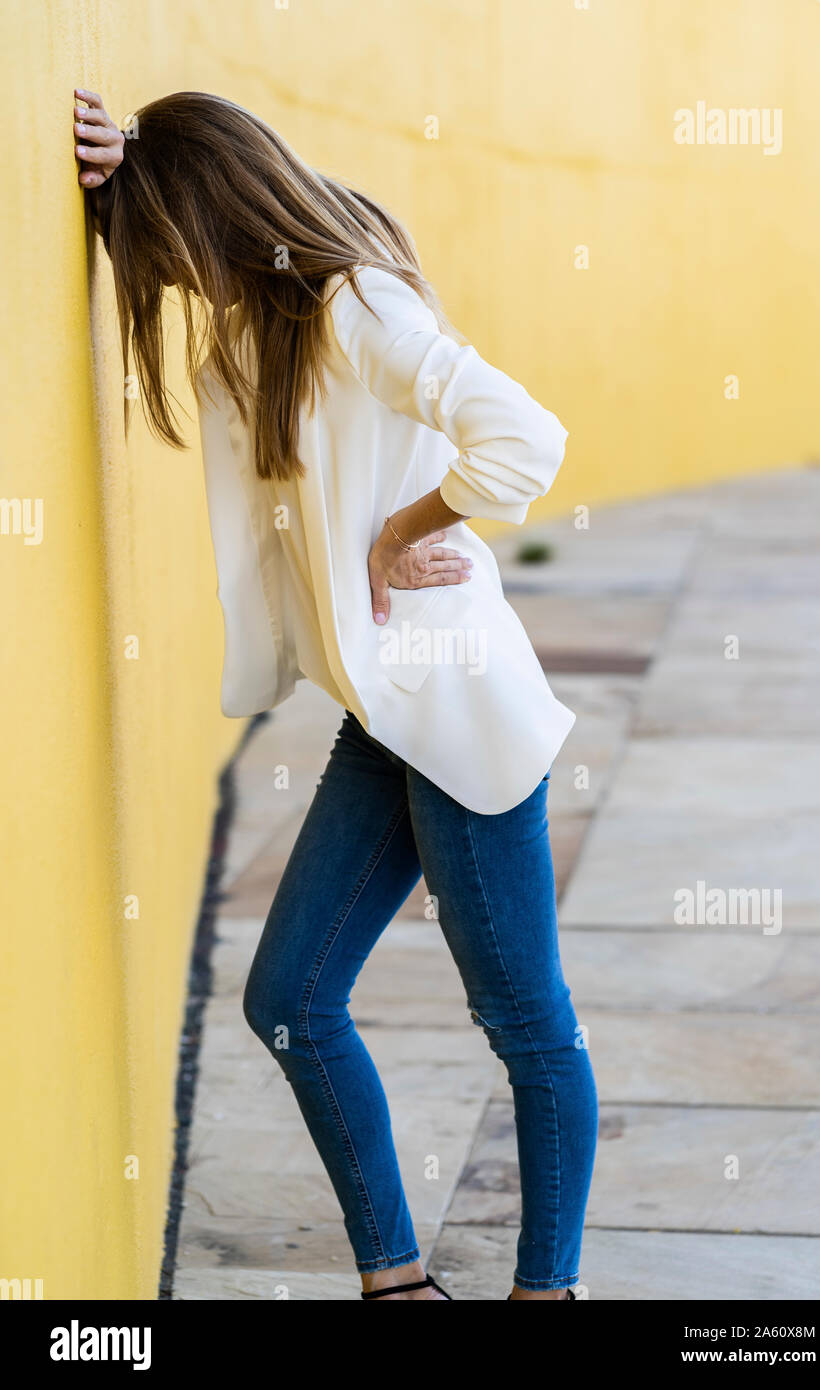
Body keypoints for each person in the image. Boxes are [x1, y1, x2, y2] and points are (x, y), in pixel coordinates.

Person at [74, 87, 598, 1301]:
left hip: (457, 719)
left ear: (210, 218)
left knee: (526, 1025)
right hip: (385, 718)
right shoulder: (256, 330)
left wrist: (400, 532)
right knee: (290, 998)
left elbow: (522, 436)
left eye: (169, 243)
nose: (169, 276)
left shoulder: (352, 302)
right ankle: (398, 1283)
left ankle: (546, 1290)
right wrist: (118, 159)